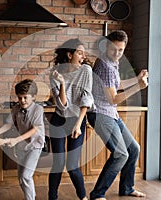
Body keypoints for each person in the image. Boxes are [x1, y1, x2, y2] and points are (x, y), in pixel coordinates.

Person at [87, 30, 148, 199]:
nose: (117, 53)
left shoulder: (112, 62)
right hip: (100, 114)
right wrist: (138, 87)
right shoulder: (104, 65)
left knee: (134, 149)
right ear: (106, 46)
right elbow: (114, 98)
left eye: (121, 50)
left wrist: (136, 79)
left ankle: (127, 188)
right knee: (121, 154)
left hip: (110, 114)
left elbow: (117, 84)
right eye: (114, 49)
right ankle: (97, 194)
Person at [48, 38, 94, 200]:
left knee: (72, 166)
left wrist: (78, 124)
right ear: (69, 55)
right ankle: (52, 197)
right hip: (59, 121)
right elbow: (62, 106)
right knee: (58, 165)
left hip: (77, 120)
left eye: (83, 53)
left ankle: (83, 197)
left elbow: (86, 99)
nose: (83, 56)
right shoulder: (55, 73)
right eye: (79, 53)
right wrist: (61, 83)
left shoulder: (86, 71)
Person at [0, 79, 45, 200]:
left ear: (33, 96)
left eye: (25, 98)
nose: (22, 101)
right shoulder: (16, 108)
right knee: (21, 178)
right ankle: (30, 195)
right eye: (19, 97)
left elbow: (34, 130)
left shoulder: (38, 109)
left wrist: (16, 140)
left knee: (26, 176)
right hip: (22, 146)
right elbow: (8, 124)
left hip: (34, 145)